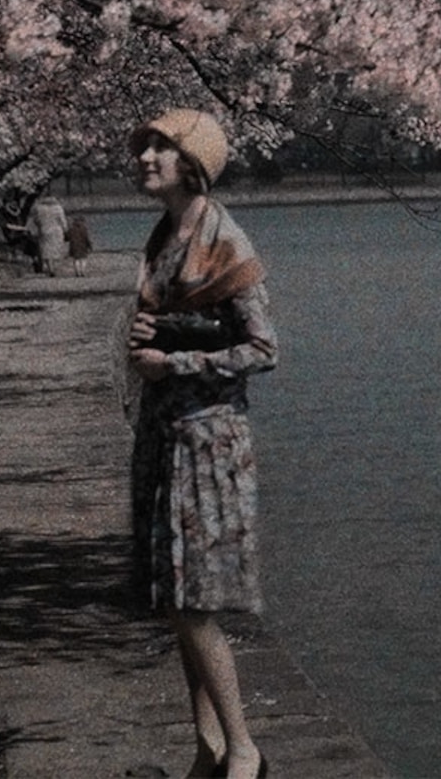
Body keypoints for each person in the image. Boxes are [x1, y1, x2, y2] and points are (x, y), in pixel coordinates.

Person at [126, 109, 277, 779]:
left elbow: (263, 348)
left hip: (208, 439)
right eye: (146, 145)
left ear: (193, 161)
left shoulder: (223, 237)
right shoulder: (164, 235)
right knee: (173, 596)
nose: (146, 157)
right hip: (165, 434)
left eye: (161, 147)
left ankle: (244, 747)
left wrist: (174, 363)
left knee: (194, 602)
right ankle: (207, 746)